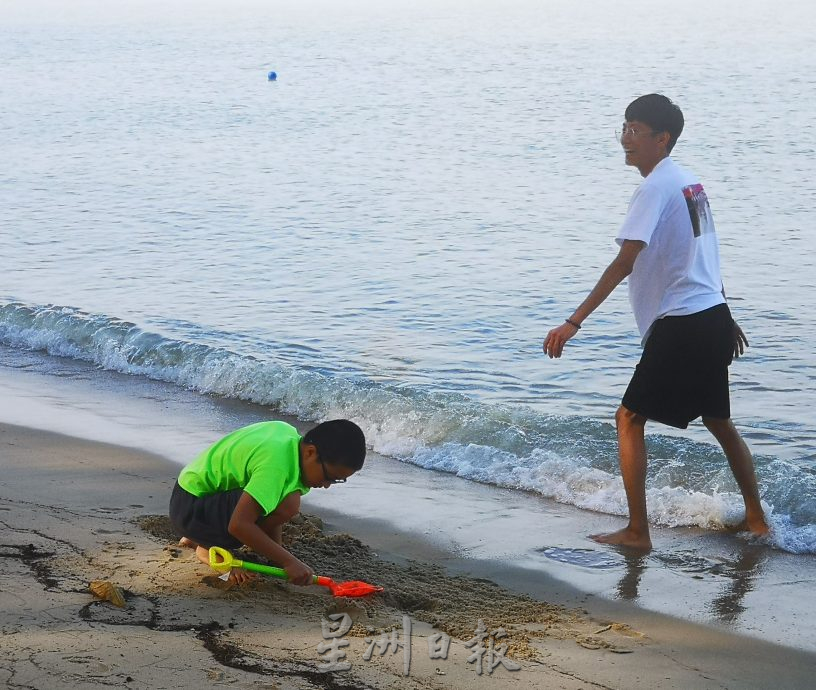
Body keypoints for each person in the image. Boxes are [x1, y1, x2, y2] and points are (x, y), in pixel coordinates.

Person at [543, 93, 769, 551]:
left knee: (628, 418)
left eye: (635, 131)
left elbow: (625, 261)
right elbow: (705, 251)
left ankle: (637, 532)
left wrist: (574, 321)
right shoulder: (689, 182)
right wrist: (725, 314)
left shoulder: (655, 188)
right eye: (623, 128)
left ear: (661, 139)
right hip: (708, 316)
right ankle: (757, 520)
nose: (625, 139)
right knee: (719, 421)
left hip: (683, 321)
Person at [169, 418, 366, 584]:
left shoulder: (288, 437)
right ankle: (207, 546)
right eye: (328, 477)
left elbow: (269, 502)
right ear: (310, 452)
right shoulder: (276, 467)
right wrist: (290, 562)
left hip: (191, 495)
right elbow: (239, 525)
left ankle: (198, 534)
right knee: (288, 504)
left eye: (336, 481)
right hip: (190, 509)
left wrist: (278, 557)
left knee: (285, 499)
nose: (327, 485)